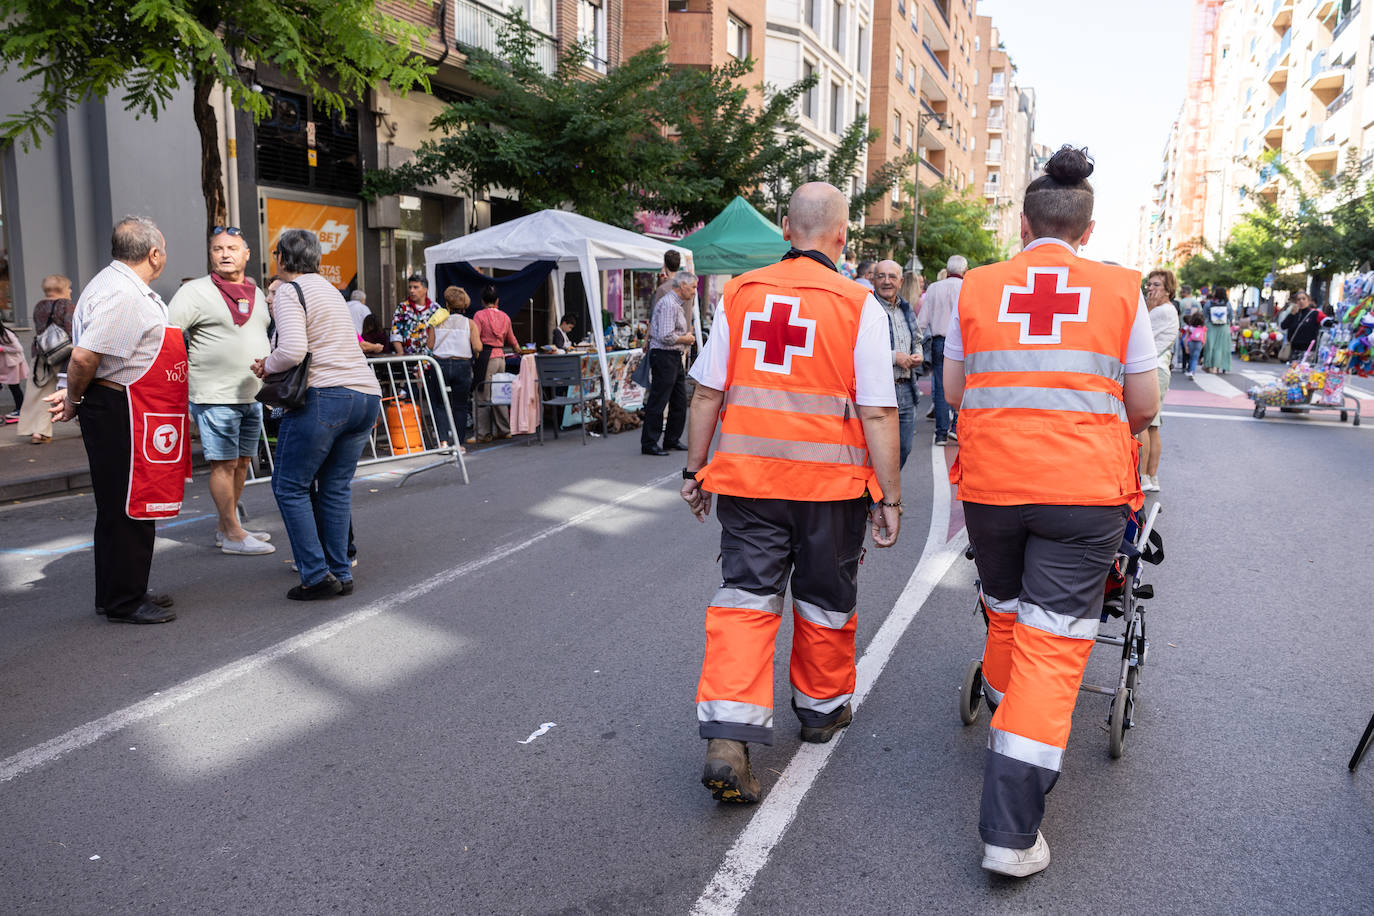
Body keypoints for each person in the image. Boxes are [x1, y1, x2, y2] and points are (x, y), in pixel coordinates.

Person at [943, 146, 1158, 877]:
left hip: (992, 488)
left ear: (1023, 222)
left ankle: (1006, 712)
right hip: (1083, 492)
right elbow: (1144, 405)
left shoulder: (977, 286)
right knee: (1054, 642)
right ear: (1086, 231)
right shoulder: (1122, 291)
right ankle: (1009, 834)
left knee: (1004, 611)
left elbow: (953, 390)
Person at [680, 181, 902, 804]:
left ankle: (730, 734)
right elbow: (880, 413)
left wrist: (695, 472)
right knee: (826, 599)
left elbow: (707, 393)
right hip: (830, 487)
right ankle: (821, 710)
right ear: (842, 236)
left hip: (749, 481)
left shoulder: (740, 294)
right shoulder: (861, 305)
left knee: (745, 599)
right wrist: (890, 497)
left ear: (784, 228)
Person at [47, 216, 185, 624]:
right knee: (131, 507)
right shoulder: (122, 293)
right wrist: (73, 397)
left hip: (127, 406)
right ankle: (125, 600)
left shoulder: (113, 284)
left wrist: (76, 395)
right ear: (154, 254)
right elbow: (84, 357)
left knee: (117, 507)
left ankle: (119, 591)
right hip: (123, 409)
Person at [251, 229, 382, 601]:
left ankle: (316, 575)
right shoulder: (330, 290)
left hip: (326, 395)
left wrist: (266, 365)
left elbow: (292, 350)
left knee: (289, 486)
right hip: (365, 394)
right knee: (335, 488)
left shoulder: (291, 291)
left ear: (280, 258)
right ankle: (340, 570)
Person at [167, 226, 275, 556]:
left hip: (251, 394)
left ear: (246, 254)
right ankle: (232, 532)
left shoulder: (257, 294)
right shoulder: (194, 292)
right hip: (214, 395)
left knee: (243, 462)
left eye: (231, 247)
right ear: (210, 255)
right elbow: (169, 335)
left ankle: (227, 526)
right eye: (217, 249)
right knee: (223, 465)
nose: (224, 254)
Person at [641, 269, 697, 456]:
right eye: (693, 287)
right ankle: (649, 442)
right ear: (683, 285)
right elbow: (665, 335)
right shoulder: (669, 304)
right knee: (659, 400)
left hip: (672, 356)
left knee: (679, 400)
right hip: (664, 355)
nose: (695, 291)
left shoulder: (675, 304)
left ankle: (671, 439)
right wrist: (686, 339)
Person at [873, 259, 922, 467]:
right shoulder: (868, 309)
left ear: (900, 281)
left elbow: (917, 339)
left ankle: (887, 495)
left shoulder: (906, 308)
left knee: (904, 448)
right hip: (878, 391)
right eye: (881, 276)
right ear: (874, 280)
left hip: (906, 390)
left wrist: (917, 354)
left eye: (892, 276)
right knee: (877, 451)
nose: (887, 281)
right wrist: (895, 357)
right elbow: (859, 349)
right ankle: (880, 499)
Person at [17, 274, 74, 443]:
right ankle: (81, 422)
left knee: (38, 393)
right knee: (77, 387)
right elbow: (72, 331)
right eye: (68, 287)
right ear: (62, 288)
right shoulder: (66, 305)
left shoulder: (38, 306)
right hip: (62, 355)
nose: (70, 290)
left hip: (41, 354)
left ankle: (35, 431)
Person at [919, 254, 967, 445]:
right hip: (962, 341)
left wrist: (915, 342)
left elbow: (922, 321)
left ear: (947, 270)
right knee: (963, 384)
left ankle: (940, 433)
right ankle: (955, 426)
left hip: (939, 341)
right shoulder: (967, 287)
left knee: (939, 386)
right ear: (964, 271)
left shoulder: (933, 288)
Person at [1139, 268, 1179, 493]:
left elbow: (1140, 335)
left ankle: (1144, 475)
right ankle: (1151, 477)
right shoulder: (1167, 309)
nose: (1150, 289)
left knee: (1144, 424)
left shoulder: (1160, 311)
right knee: (1153, 426)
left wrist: (1147, 307)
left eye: (1156, 285)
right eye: (1149, 284)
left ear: (1168, 289)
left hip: (1154, 369)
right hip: (1161, 369)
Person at [426, 285, 482, 448]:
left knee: (440, 403)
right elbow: (477, 347)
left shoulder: (437, 321)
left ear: (447, 305)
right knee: (460, 405)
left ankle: (443, 441)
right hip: (462, 365)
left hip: (440, 365)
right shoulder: (469, 323)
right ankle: (458, 443)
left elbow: (430, 345)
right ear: (465, 305)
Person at [471, 285, 521, 441]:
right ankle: (504, 430)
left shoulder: (479, 315)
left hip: (486, 358)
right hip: (501, 358)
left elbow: (475, 337)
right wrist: (519, 350)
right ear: (497, 300)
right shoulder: (505, 317)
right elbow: (513, 340)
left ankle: (483, 434)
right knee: (500, 395)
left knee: (482, 395)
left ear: (482, 301)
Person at [390, 273, 436, 356]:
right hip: (408, 360)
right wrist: (401, 353)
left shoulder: (435, 309)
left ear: (425, 289)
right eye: (410, 287)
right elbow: (395, 332)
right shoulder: (402, 308)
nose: (411, 290)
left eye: (415, 287)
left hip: (430, 359)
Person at [1280, 291, 1324, 363]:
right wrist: (1291, 314)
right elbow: (1283, 326)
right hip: (1294, 349)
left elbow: (1326, 321)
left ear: (1308, 301)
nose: (1301, 301)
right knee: (1292, 373)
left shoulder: (1315, 314)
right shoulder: (1294, 314)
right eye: (1299, 299)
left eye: (1304, 299)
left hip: (1308, 350)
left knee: (1304, 373)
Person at [1, 316, 28, 420]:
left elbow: (18, 348)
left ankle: (20, 409)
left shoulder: (7, 333)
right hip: (4, 365)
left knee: (14, 387)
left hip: (13, 364)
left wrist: (2, 348)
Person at [1201, 289, 1233, 373]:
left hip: (1210, 326)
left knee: (1210, 346)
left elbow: (1204, 314)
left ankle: (1208, 365)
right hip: (1223, 327)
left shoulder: (1209, 303)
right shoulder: (1227, 304)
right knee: (1221, 347)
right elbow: (1231, 316)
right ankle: (1218, 366)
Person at [1183, 312, 1206, 378]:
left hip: (1191, 342)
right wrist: (1203, 345)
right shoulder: (1203, 328)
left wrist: (1186, 347)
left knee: (1191, 357)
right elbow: (1204, 338)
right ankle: (1192, 371)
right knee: (1195, 358)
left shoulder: (1190, 327)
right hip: (1199, 343)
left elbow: (1186, 338)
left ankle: (1190, 369)